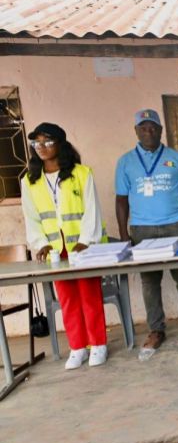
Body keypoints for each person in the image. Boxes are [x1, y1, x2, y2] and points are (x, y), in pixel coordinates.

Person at [115, 109, 178, 361]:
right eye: (143, 127)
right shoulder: (125, 162)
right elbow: (121, 200)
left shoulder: (176, 158)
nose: (148, 132)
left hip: (177, 225)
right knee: (149, 282)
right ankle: (156, 330)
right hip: (142, 230)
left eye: (153, 127)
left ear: (160, 130)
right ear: (136, 131)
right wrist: (124, 234)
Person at [21, 123, 108, 369]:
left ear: (61, 144)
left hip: (82, 246)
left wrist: (85, 240)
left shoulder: (81, 173)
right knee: (67, 298)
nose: (42, 147)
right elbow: (32, 217)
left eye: (47, 141)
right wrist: (40, 243)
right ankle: (78, 347)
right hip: (55, 249)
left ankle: (97, 345)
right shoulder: (30, 180)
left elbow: (92, 210)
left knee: (89, 295)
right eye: (37, 143)